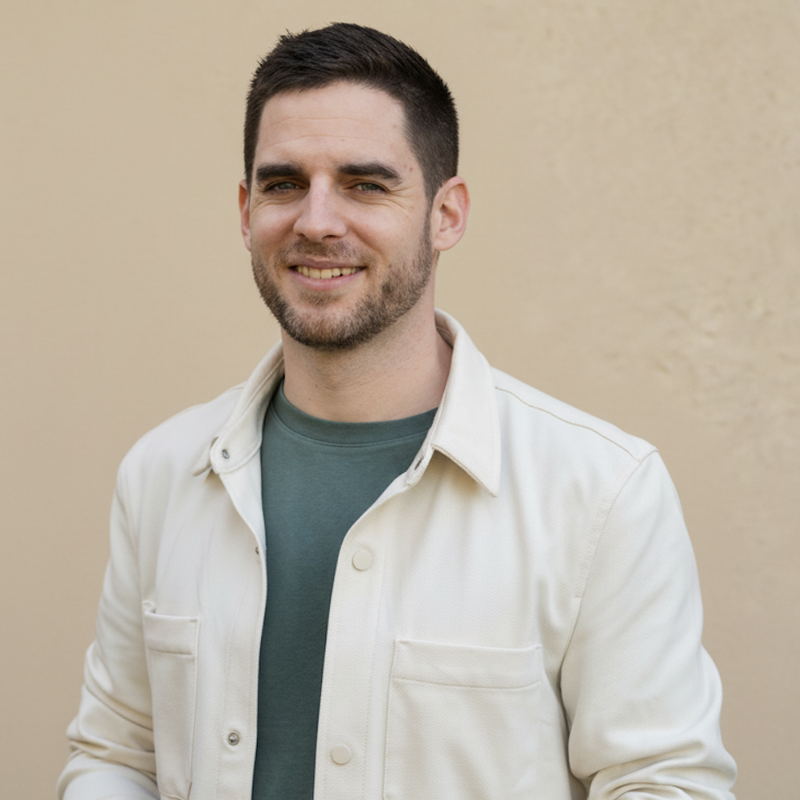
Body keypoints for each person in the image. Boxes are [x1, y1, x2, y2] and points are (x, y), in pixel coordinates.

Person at [58, 22, 737, 800]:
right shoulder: (160, 474)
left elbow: (664, 782)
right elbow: (116, 754)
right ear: (246, 211)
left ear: (446, 214)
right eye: (284, 184)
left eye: (365, 184)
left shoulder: (601, 492)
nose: (316, 221)